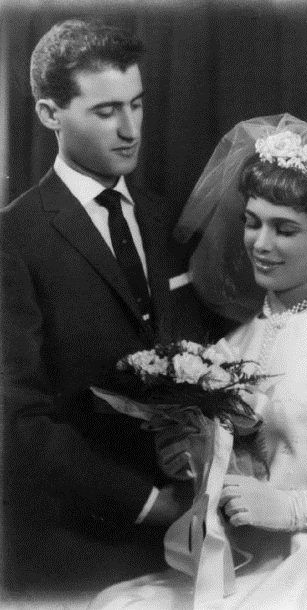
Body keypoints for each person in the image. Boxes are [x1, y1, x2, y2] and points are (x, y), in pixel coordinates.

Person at [87, 114, 307, 609]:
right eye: (252, 222)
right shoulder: (232, 346)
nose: (260, 244)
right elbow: (238, 479)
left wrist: (301, 507)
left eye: (285, 230)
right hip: (248, 562)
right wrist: (191, 465)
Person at [0, 19, 227, 596]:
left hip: (191, 545)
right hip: (72, 554)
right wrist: (153, 504)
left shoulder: (162, 217)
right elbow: (16, 423)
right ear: (50, 113)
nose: (130, 130)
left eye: (138, 105)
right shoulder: (14, 238)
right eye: (105, 112)